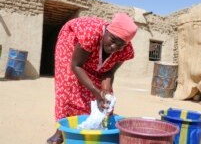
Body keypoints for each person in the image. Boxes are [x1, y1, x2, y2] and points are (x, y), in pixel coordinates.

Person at [47, 13, 138, 144]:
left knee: (103, 98)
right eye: (112, 40)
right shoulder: (91, 34)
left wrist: (104, 91)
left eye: (120, 45)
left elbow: (109, 72)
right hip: (71, 42)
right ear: (106, 31)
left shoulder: (125, 50)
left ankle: (92, 128)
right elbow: (76, 65)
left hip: (90, 49)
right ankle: (61, 132)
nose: (114, 48)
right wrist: (96, 91)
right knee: (69, 83)